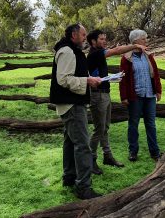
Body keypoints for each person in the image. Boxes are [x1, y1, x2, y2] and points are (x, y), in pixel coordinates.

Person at [50, 24, 103, 200]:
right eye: (83, 34)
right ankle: (84, 188)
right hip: (72, 105)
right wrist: (87, 81)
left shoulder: (70, 49)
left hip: (72, 103)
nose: (85, 37)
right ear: (74, 35)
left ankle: (69, 178)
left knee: (70, 143)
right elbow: (63, 79)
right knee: (82, 145)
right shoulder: (67, 51)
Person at [86, 29, 147, 173]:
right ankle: (91, 159)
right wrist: (135, 46)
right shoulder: (95, 53)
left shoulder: (98, 55)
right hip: (97, 96)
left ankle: (107, 156)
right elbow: (117, 50)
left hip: (104, 94)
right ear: (93, 42)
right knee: (98, 129)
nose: (104, 41)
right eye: (101, 39)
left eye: (104, 38)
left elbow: (98, 75)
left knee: (105, 128)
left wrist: (112, 77)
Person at [119, 29, 162, 162]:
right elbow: (123, 79)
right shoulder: (126, 58)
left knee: (151, 124)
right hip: (135, 96)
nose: (145, 41)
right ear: (136, 41)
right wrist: (124, 97)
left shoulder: (148, 56)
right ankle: (133, 152)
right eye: (143, 39)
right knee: (133, 124)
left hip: (149, 95)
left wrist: (158, 90)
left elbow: (155, 74)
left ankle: (155, 152)